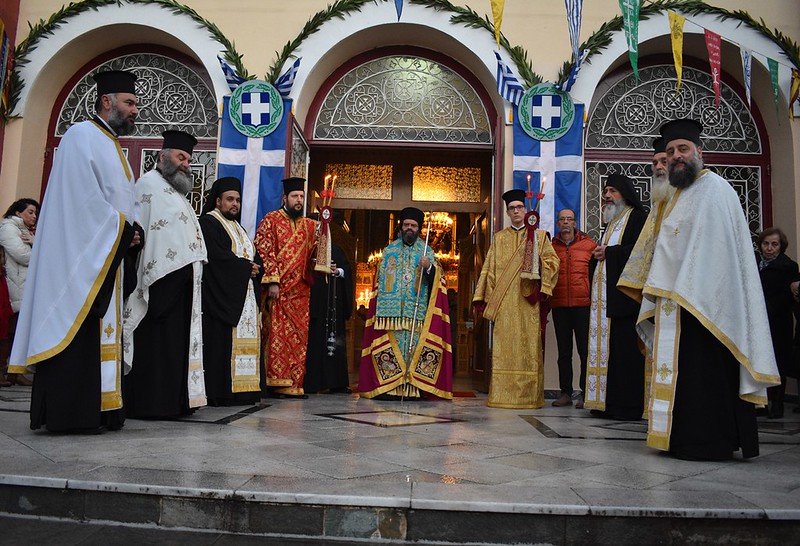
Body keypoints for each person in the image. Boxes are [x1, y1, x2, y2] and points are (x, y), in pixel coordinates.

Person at [618, 118, 780, 460]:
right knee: (684, 377)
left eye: (683, 149)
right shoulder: (670, 196)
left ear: (699, 152)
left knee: (707, 375)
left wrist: (691, 286)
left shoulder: (717, 190)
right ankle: (680, 439)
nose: (676, 156)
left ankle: (711, 442)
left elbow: (723, 255)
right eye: (671, 151)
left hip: (711, 306)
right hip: (674, 306)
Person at [9, 70, 142, 432]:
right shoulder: (81, 136)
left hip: (105, 258)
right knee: (78, 334)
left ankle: (102, 409)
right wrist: (123, 229)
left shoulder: (112, 146)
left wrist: (134, 232)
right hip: (78, 259)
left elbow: (123, 205)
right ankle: (71, 415)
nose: (135, 110)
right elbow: (81, 203)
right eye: (129, 102)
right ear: (106, 101)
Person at [123, 130, 208, 418]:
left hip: (181, 285)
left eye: (189, 160)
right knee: (156, 346)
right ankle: (151, 404)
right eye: (181, 157)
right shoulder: (148, 185)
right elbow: (143, 231)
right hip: (158, 285)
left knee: (175, 347)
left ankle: (174, 401)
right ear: (162, 156)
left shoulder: (178, 193)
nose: (186, 164)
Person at [472, 190, 560, 409]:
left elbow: (553, 263)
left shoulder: (539, 236)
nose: (516, 211)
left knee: (528, 349)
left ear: (526, 209)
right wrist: (489, 300)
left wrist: (538, 264)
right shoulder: (499, 238)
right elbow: (489, 270)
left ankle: (529, 397)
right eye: (512, 208)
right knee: (504, 350)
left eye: (520, 207)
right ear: (508, 212)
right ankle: (502, 395)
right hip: (504, 305)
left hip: (528, 304)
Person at [358, 207, 453, 400]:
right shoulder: (389, 251)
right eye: (406, 225)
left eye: (413, 226)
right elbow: (379, 282)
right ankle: (389, 389)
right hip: (390, 316)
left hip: (416, 314)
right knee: (392, 350)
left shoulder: (427, 252)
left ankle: (413, 390)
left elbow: (439, 282)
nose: (409, 228)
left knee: (413, 352)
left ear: (419, 229)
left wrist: (429, 268)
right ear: (401, 227)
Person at [584, 173, 646, 420]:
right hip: (604, 302)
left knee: (624, 353)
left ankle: (626, 406)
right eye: (605, 191)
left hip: (625, 301)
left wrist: (609, 253)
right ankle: (604, 403)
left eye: (612, 191)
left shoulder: (637, 218)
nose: (607, 196)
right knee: (607, 352)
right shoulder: (611, 222)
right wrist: (600, 255)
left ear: (625, 193)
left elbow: (641, 253)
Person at [199, 177, 263, 406]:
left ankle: (245, 391)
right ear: (218, 201)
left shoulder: (239, 228)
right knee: (221, 345)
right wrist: (246, 268)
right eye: (230, 199)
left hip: (244, 297)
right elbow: (216, 258)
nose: (235, 204)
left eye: (237, 200)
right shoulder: (209, 222)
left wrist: (257, 267)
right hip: (222, 300)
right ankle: (223, 392)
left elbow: (254, 256)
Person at [254, 177, 317, 399]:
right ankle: (275, 383)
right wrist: (273, 280)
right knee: (277, 336)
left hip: (301, 293)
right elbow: (264, 249)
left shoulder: (310, 225)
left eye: (301, 197)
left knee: (299, 338)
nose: (299, 200)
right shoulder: (270, 220)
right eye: (294, 196)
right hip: (279, 291)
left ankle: (294, 383)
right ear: (284, 198)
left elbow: (316, 253)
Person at [550, 208, 595, 408]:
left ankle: (586, 394)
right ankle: (565, 393)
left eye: (569, 219)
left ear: (575, 223)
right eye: (562, 219)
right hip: (560, 305)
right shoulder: (550, 247)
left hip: (583, 306)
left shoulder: (589, 245)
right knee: (564, 353)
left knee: (585, 352)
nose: (566, 222)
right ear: (558, 223)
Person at [755, 228, 799, 419]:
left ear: (781, 246)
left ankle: (778, 404)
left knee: (779, 361)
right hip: (757, 321)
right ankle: (761, 403)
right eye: (766, 244)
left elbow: (788, 295)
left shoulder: (789, 266)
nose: (769, 248)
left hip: (778, 321)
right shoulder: (754, 264)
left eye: (774, 244)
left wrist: (767, 308)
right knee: (759, 361)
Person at [305, 237, 353, 394]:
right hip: (313, 305)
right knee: (314, 341)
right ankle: (311, 383)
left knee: (334, 343)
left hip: (333, 305)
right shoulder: (306, 249)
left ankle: (337, 383)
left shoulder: (335, 250)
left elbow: (346, 270)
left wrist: (337, 271)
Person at [0, 199, 39, 387]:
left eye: (35, 213)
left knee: (18, 331)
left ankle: (15, 371)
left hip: (23, 285)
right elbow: (22, 255)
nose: (34, 216)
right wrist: (38, 246)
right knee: (8, 331)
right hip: (12, 285)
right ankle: (2, 370)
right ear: (17, 213)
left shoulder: (27, 232)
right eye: (30, 212)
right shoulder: (8, 228)